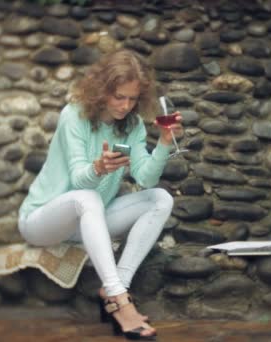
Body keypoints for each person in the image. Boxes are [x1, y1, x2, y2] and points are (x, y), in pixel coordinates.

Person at [17, 49, 182, 340]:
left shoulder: (131, 125)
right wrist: (99, 168)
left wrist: (164, 144)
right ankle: (121, 301)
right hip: (42, 221)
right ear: (101, 90)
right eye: (119, 96)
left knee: (160, 198)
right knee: (88, 197)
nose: (125, 106)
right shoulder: (74, 115)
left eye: (132, 99)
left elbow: (145, 177)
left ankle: (115, 287)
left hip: (88, 222)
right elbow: (80, 179)